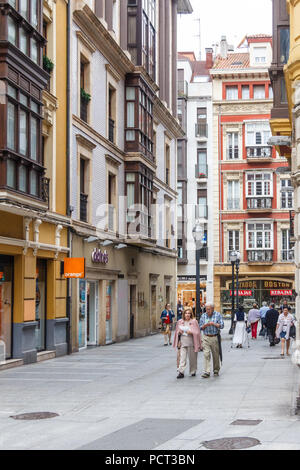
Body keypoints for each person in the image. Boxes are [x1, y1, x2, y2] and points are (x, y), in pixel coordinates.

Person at [173, 308, 202, 379]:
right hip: (183, 342)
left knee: (192, 358)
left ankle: (193, 371)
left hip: (191, 343)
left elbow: (198, 332)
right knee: (182, 358)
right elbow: (176, 332)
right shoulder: (180, 321)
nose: (187, 314)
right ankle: (181, 372)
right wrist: (179, 332)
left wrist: (191, 332)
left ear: (191, 314)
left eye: (189, 313)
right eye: (186, 313)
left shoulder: (194, 321)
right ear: (184, 314)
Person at [199, 302, 224, 378]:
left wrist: (214, 324)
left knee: (215, 354)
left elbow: (222, 325)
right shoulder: (203, 316)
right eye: (206, 309)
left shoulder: (217, 315)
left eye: (209, 309)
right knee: (206, 354)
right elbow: (200, 327)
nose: (207, 311)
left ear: (213, 309)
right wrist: (205, 325)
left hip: (214, 337)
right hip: (206, 337)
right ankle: (207, 371)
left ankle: (216, 370)